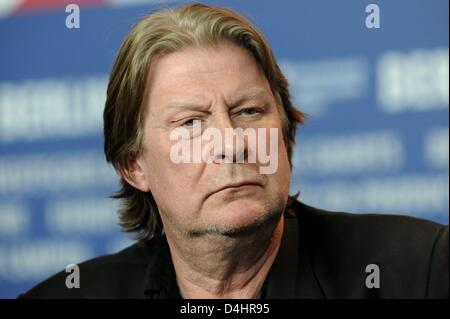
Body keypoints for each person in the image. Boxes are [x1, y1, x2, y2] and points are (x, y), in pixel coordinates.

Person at [21, 2, 448, 299]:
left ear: (284, 131)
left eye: (248, 111)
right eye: (191, 122)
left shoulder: (421, 269)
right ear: (134, 165)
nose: (230, 142)